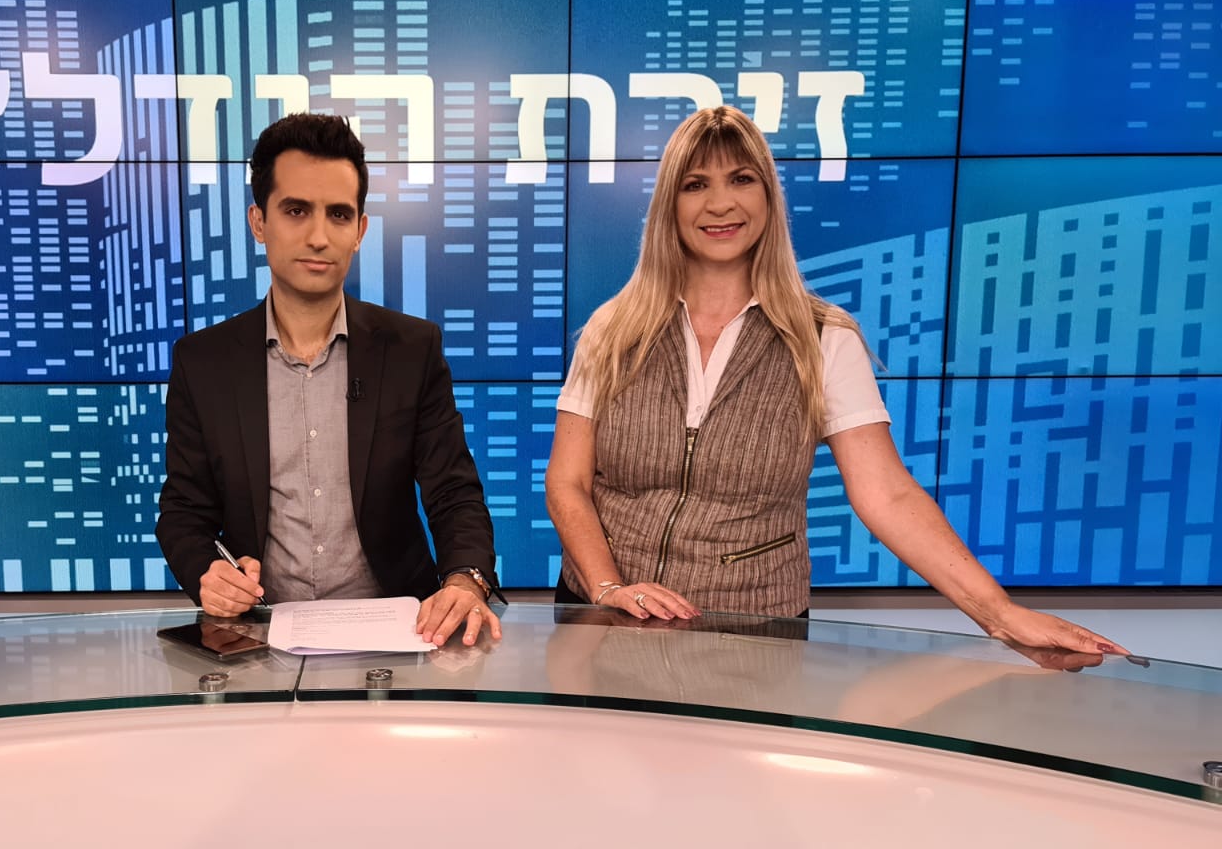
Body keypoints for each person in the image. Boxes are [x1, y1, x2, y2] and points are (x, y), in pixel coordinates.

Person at [544, 105, 1127, 669]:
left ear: (768, 196)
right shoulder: (612, 329)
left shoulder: (823, 337)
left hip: (751, 634)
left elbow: (887, 495)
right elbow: (568, 482)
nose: (720, 203)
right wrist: (608, 587)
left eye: (741, 179)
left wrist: (999, 614)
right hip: (606, 621)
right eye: (695, 185)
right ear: (669, 205)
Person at [157, 113, 502, 647]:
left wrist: (464, 579)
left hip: (397, 634)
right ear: (258, 222)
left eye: (338, 215)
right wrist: (207, 571)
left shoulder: (411, 349)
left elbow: (454, 494)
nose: (319, 237)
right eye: (296, 211)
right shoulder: (203, 362)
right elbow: (183, 512)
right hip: (258, 638)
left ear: (359, 231)